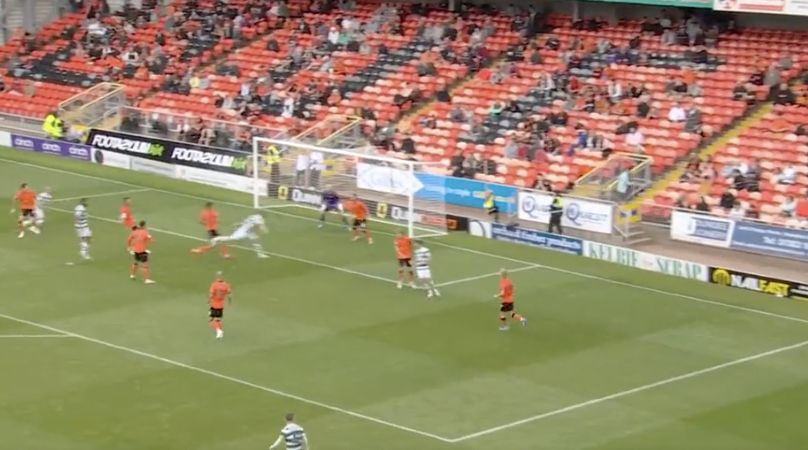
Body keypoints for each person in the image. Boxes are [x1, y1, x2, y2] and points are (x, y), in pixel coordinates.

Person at [208, 271, 232, 339]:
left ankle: (219, 331)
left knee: (212, 320)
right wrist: (229, 302)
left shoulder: (214, 285)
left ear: (216, 277)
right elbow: (229, 294)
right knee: (218, 320)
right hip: (221, 305)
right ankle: (220, 331)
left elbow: (211, 294)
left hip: (214, 305)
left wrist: (208, 301)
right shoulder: (226, 285)